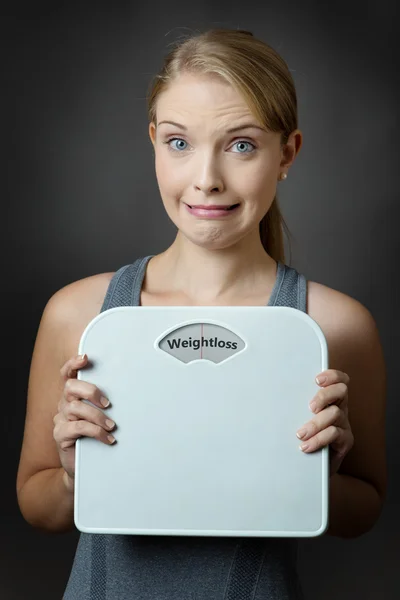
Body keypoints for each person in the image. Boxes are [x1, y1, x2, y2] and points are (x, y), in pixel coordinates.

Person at [16, 28, 386, 600]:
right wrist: (73, 477)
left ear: (287, 153)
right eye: (179, 142)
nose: (206, 177)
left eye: (241, 145)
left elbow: (364, 511)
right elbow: (38, 505)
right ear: (154, 144)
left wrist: (317, 478)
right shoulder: (79, 313)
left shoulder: (335, 327)